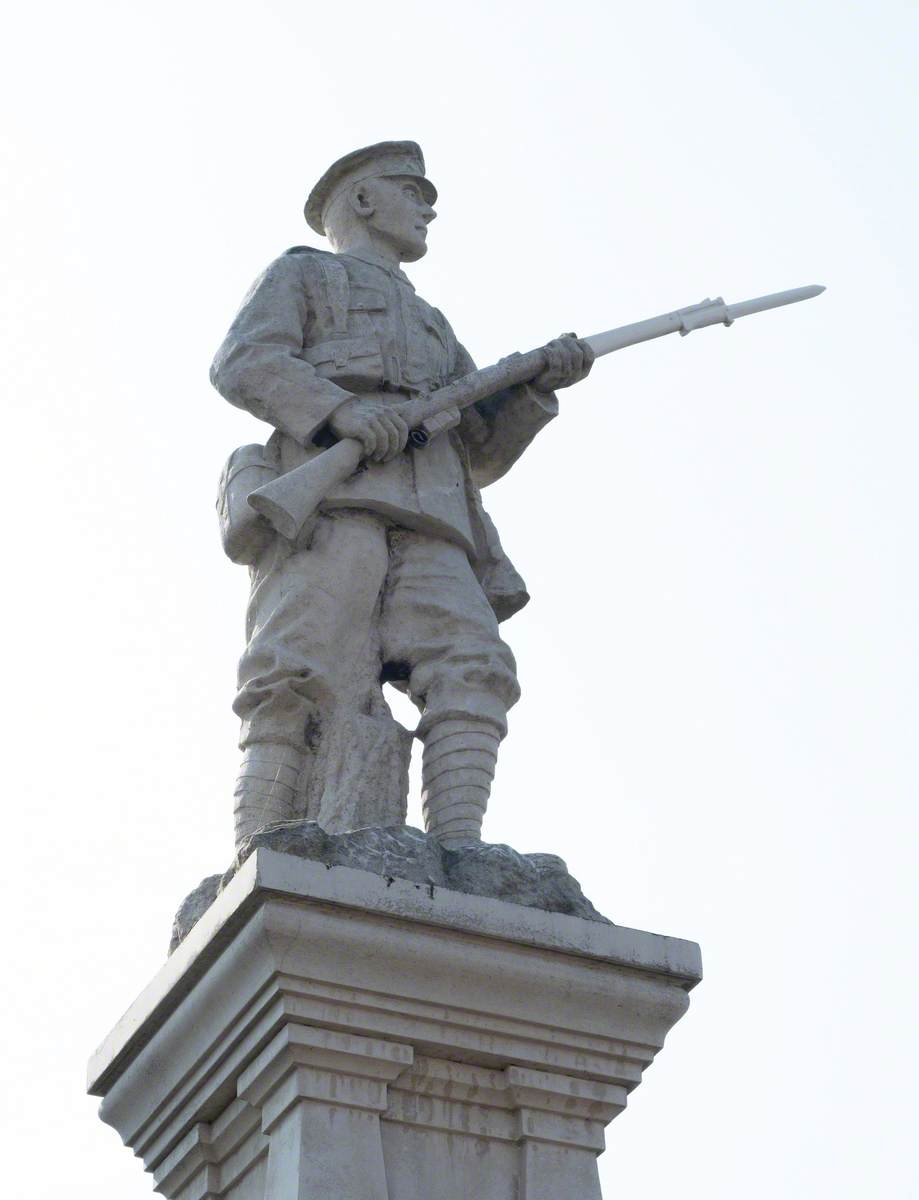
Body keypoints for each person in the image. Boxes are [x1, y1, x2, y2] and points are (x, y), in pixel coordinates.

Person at [211, 141, 593, 850]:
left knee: (472, 663)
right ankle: (258, 850)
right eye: (411, 190)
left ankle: (458, 847)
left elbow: (478, 450)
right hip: (332, 508)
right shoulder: (307, 277)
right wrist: (340, 411)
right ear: (361, 201)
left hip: (436, 518)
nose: (427, 207)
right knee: (292, 671)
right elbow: (244, 361)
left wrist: (534, 391)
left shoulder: (433, 324)